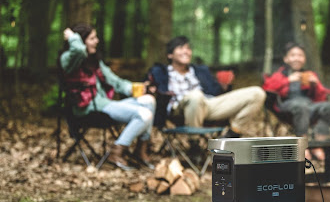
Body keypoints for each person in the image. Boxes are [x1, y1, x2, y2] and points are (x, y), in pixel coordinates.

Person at [59, 23, 156, 170]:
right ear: (81, 40)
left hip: (104, 104)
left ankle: (140, 151)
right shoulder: (68, 59)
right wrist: (73, 37)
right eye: (92, 38)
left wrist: (136, 88)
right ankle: (117, 152)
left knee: (149, 100)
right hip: (87, 109)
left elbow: (115, 81)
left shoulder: (95, 62)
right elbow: (79, 51)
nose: (97, 41)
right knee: (144, 115)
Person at [147, 35, 266, 138]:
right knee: (195, 96)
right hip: (179, 109)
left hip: (208, 105)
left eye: (188, 48)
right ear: (170, 55)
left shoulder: (200, 70)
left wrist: (225, 86)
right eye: (181, 48)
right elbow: (149, 86)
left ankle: (233, 133)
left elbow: (217, 92)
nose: (186, 51)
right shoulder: (161, 72)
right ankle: (195, 144)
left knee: (257, 93)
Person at [262, 42, 330, 160]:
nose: (296, 58)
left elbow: (321, 99)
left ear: (304, 59)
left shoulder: (309, 74)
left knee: (328, 107)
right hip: (286, 106)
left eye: (300, 55)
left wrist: (316, 86)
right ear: (286, 59)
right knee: (301, 106)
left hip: (309, 105)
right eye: (293, 55)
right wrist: (288, 80)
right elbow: (267, 88)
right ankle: (304, 147)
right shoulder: (280, 74)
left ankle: (318, 145)